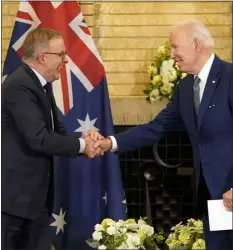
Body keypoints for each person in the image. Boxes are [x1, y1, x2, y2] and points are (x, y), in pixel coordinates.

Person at [94, 20, 233, 249]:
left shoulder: (230, 77)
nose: (172, 54)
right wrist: (110, 142)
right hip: (212, 198)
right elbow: (157, 127)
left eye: (175, 46)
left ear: (196, 44)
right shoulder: (186, 88)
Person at [1, 28, 102, 250]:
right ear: (42, 57)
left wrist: (84, 139)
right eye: (61, 54)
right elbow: (39, 139)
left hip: (34, 200)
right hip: (13, 201)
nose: (65, 60)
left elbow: (57, 133)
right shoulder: (20, 85)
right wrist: (84, 146)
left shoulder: (39, 85)